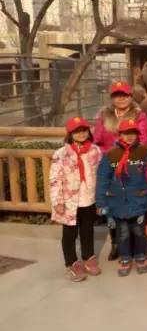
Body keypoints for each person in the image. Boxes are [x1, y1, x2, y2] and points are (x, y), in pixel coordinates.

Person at [94, 80, 147, 261]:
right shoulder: (104, 115)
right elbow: (96, 139)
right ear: (112, 98)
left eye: (125, 95)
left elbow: (143, 140)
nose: (121, 99)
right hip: (111, 164)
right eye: (117, 95)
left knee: (134, 202)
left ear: (130, 97)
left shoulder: (139, 115)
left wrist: (133, 156)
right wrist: (109, 153)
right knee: (114, 204)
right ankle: (116, 243)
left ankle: (136, 245)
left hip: (132, 163)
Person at [96, 119, 147, 276]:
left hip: (139, 200)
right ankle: (125, 258)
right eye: (126, 133)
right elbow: (103, 180)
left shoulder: (144, 152)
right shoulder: (111, 155)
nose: (129, 137)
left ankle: (141, 256)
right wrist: (101, 202)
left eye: (133, 133)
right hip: (118, 202)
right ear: (120, 135)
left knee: (139, 231)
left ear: (137, 134)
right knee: (123, 233)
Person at [49, 117, 103, 282]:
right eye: (77, 131)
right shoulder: (61, 154)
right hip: (69, 200)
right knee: (69, 233)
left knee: (88, 230)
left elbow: (101, 175)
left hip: (89, 198)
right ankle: (71, 263)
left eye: (84, 130)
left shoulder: (95, 151)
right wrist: (57, 201)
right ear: (70, 133)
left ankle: (88, 257)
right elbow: (54, 179)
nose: (81, 134)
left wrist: (101, 198)